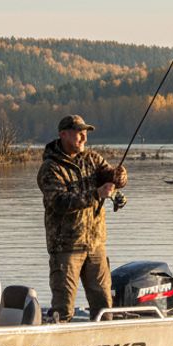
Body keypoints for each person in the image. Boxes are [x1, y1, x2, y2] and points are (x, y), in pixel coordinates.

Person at [37, 114, 127, 321]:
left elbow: (111, 176)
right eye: (79, 133)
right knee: (63, 310)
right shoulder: (50, 168)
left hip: (95, 245)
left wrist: (120, 177)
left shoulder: (93, 159)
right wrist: (96, 194)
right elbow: (59, 202)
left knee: (104, 308)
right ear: (63, 135)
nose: (84, 138)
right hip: (65, 248)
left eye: (85, 133)